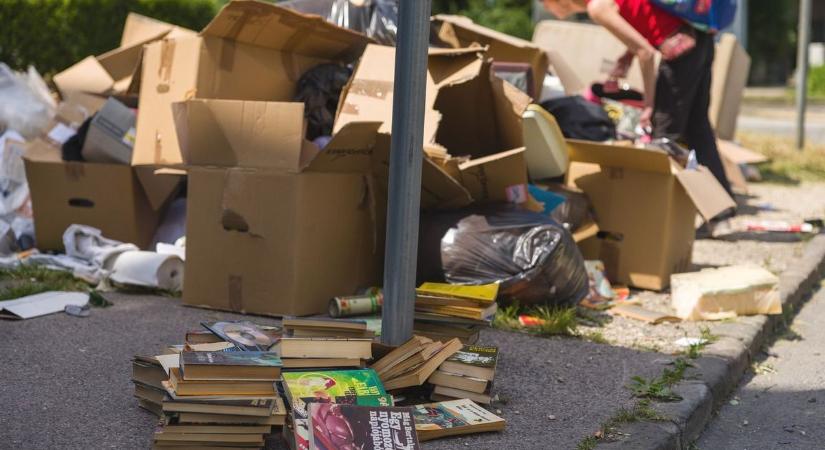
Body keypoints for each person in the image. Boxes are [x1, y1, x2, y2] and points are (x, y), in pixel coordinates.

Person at [541, 0, 733, 196]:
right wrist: (627, 56)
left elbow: (646, 53)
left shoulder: (597, 7)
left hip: (682, 51)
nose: (545, 8)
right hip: (700, 40)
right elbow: (648, 21)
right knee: (697, 127)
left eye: (543, 3)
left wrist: (649, 105)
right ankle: (722, 207)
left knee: (664, 137)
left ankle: (660, 212)